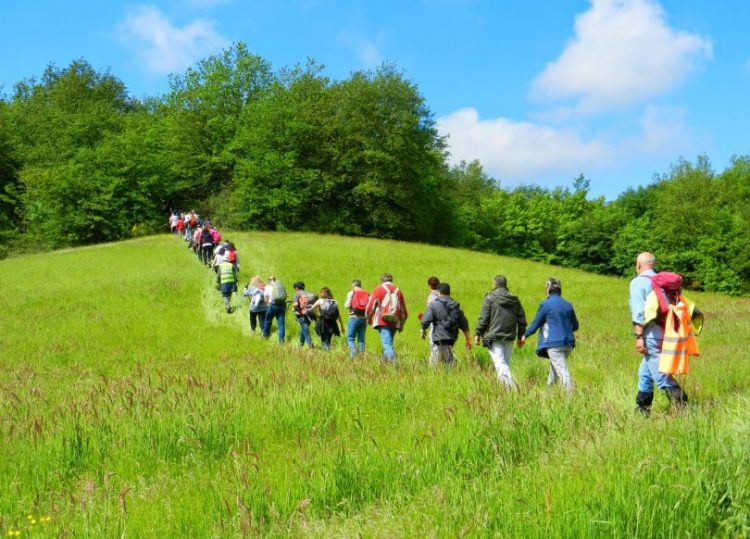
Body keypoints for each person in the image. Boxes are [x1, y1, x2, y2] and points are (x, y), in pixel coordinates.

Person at [630, 252, 702, 415]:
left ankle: (683, 406)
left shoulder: (638, 283)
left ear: (638, 265)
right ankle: (642, 410)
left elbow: (639, 313)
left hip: (651, 336)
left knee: (661, 376)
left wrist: (639, 337)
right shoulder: (664, 283)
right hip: (670, 333)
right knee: (645, 373)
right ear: (653, 265)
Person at [521, 278, 579, 392]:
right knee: (555, 369)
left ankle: (570, 397)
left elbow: (535, 323)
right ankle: (548, 394)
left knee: (562, 371)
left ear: (548, 290)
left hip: (554, 344)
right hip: (568, 344)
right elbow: (576, 325)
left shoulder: (546, 304)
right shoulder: (568, 305)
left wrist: (524, 335)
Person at [475, 275, 527, 388]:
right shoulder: (514, 299)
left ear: (494, 284)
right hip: (509, 337)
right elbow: (522, 319)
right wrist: (521, 336)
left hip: (494, 336)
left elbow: (484, 318)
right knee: (504, 364)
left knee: (501, 365)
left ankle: (513, 390)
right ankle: (503, 392)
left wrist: (478, 333)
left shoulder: (489, 298)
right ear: (505, 284)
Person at [420, 282, 471, 366]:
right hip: (452, 337)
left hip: (438, 337)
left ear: (438, 292)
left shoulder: (434, 305)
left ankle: (437, 375)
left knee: (435, 362)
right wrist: (468, 339)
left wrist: (423, 330)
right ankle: (450, 373)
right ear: (449, 292)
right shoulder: (456, 305)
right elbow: (464, 323)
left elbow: (425, 320)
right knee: (448, 358)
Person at [365, 273, 408, 363]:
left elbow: (370, 306)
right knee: (389, 343)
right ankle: (385, 366)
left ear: (382, 280)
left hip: (382, 321)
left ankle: (394, 364)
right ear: (391, 280)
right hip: (395, 321)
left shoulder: (378, 289)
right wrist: (401, 324)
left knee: (387, 344)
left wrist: (368, 317)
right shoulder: (398, 290)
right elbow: (404, 311)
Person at [343, 279, 370, 357]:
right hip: (364, 319)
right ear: (360, 285)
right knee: (361, 339)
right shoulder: (367, 293)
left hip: (354, 317)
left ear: (353, 285)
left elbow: (346, 306)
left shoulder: (351, 293)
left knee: (350, 339)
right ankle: (362, 357)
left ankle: (353, 354)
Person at [262, 276, 287, 343]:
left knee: (268, 320)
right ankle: (281, 340)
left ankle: (265, 335)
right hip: (282, 306)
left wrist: (265, 302)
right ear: (275, 280)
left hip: (273, 306)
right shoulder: (280, 285)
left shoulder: (267, 287)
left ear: (269, 281)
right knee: (281, 324)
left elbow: (266, 299)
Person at [292, 282, 317, 348]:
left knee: (305, 330)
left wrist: (295, 309)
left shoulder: (297, 294)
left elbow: (295, 305)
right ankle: (301, 344)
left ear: (297, 288)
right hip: (311, 314)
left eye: (295, 288)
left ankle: (311, 345)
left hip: (302, 315)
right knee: (304, 328)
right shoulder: (310, 294)